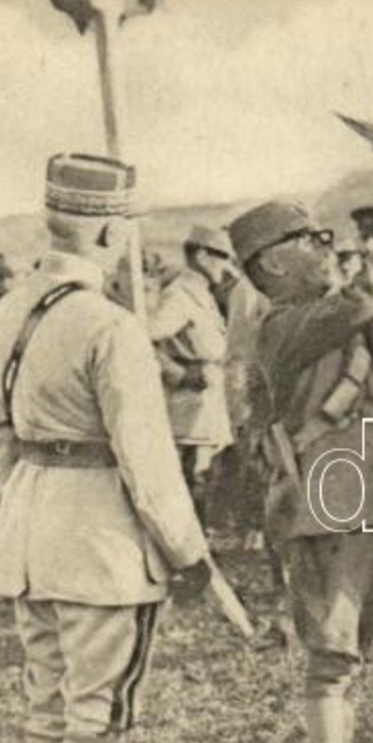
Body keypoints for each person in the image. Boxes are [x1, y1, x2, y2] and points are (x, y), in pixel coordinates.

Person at [0, 153, 212, 743]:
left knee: (46, 709)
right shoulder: (111, 326)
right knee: (93, 719)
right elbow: (147, 462)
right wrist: (189, 556)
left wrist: (32, 498)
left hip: (26, 530)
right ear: (111, 232)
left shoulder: (4, 311)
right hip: (101, 546)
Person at [227, 199, 373, 743]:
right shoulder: (285, 324)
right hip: (323, 502)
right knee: (332, 647)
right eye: (308, 239)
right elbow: (365, 297)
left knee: (353, 642)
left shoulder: (320, 320)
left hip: (357, 493)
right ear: (273, 266)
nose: (323, 246)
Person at [149, 225, 237, 525]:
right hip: (188, 408)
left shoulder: (201, 294)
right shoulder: (180, 295)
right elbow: (141, 340)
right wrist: (176, 374)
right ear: (201, 255)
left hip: (206, 405)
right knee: (192, 481)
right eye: (222, 257)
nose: (226, 266)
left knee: (203, 478)